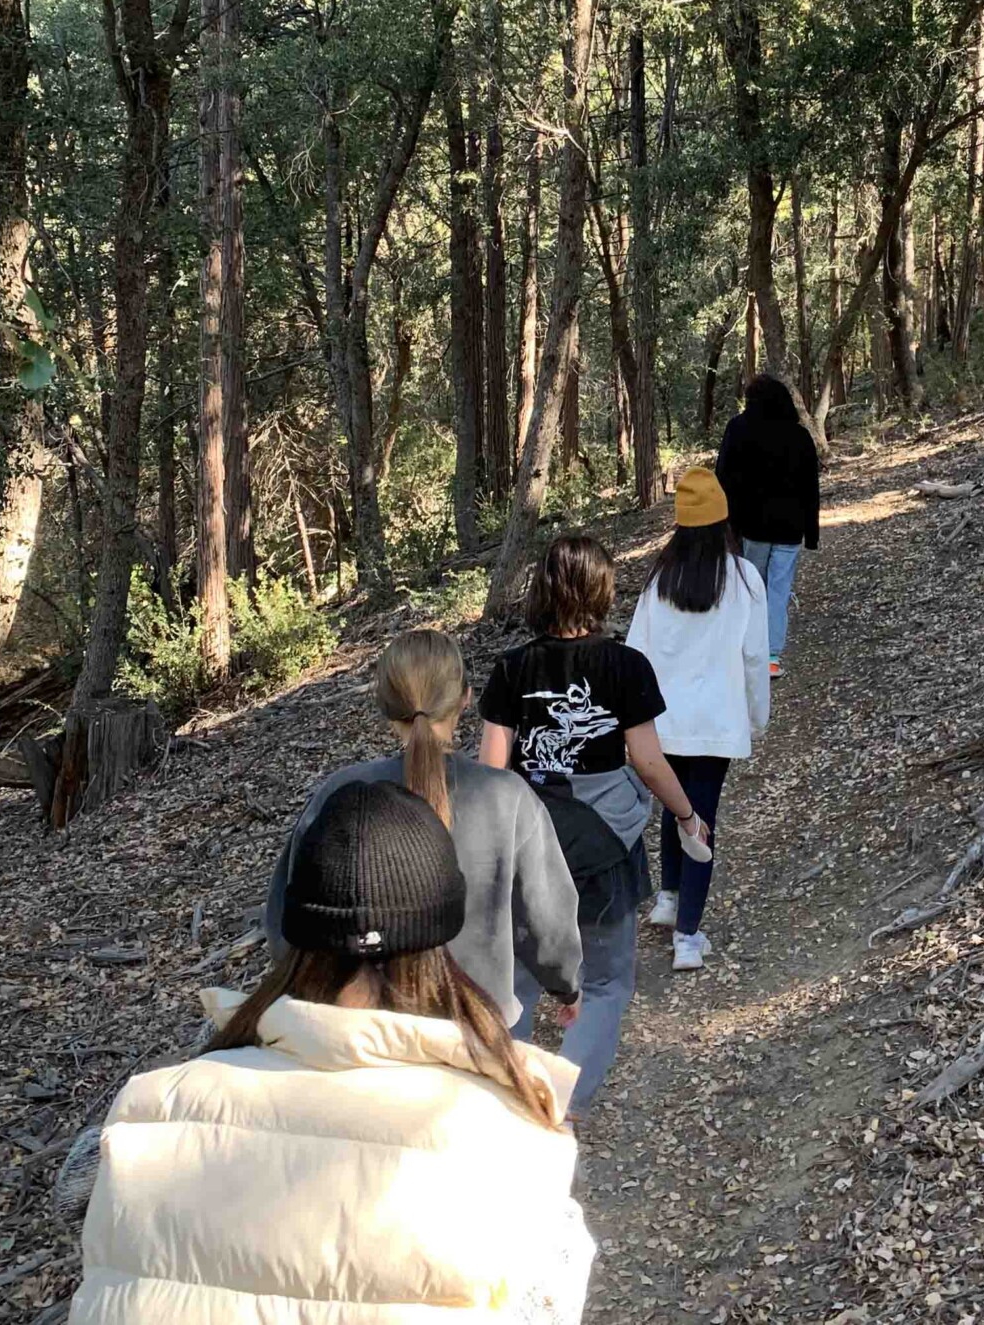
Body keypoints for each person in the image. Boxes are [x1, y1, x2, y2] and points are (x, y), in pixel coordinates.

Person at [71, 779, 594, 1322]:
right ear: (439, 935)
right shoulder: (518, 1139)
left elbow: (83, 1214)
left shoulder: (146, 1110)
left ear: (297, 928)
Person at [479, 535, 710, 1118]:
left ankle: (512, 1102)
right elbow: (649, 762)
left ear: (543, 591)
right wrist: (687, 815)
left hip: (527, 846)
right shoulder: (625, 666)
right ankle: (564, 1105)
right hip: (604, 849)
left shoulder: (512, 669)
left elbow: (491, 773)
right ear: (601, 590)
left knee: (521, 984)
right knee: (606, 983)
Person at [266, 629, 583, 1032]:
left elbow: (286, 921)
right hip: (477, 1030)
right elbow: (546, 917)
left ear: (384, 704)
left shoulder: (341, 793)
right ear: (465, 698)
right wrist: (567, 985)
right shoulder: (507, 797)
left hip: (356, 1034)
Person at [627, 469, 771, 970]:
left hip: (662, 723)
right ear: (723, 518)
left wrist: (631, 721)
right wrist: (757, 715)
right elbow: (756, 657)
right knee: (700, 818)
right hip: (716, 722)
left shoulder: (659, 579)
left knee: (676, 806)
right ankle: (688, 935)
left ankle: (669, 898)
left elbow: (635, 652)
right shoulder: (744, 579)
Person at [715, 372, 821, 680]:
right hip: (790, 528)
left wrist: (725, 524)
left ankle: (751, 653)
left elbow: (723, 477)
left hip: (752, 527)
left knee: (752, 587)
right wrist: (811, 534)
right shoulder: (799, 436)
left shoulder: (738, 429)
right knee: (779, 589)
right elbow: (810, 487)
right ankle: (772, 657)